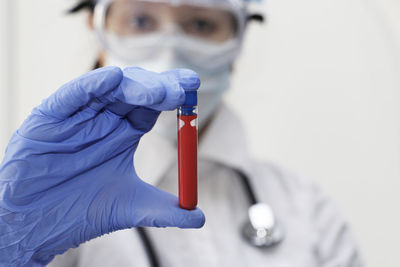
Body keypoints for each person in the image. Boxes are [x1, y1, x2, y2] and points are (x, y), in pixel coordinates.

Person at [0, 0, 364, 266]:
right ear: (95, 27)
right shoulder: (51, 191)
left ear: (238, 42)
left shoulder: (304, 205)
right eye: (141, 19)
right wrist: (11, 240)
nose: (171, 46)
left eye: (202, 25)